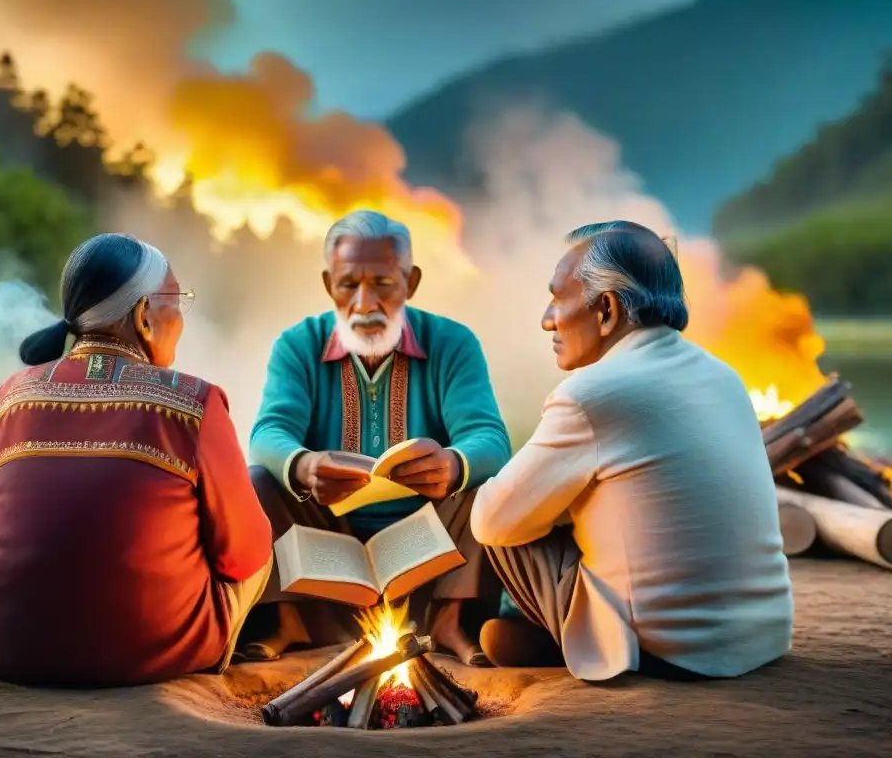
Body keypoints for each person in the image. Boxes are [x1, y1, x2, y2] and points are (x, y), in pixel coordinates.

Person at [0, 233, 273, 687]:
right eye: (175, 302)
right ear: (142, 315)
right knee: (260, 549)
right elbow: (244, 554)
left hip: (1, 645)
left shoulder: (7, 397)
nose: (180, 318)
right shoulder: (195, 402)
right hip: (136, 651)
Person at [471, 220, 794, 681]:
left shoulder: (591, 392)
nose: (547, 318)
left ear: (606, 309)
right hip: (760, 638)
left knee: (492, 508)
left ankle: (538, 631)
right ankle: (523, 628)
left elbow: (491, 521)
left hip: (668, 650)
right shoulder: (724, 376)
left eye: (558, 298)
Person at [244, 210, 511, 666]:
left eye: (383, 284)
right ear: (329, 285)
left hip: (430, 553)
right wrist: (304, 467)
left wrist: (452, 464)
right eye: (349, 285)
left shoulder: (453, 342)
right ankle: (290, 621)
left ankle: (451, 621)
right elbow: (270, 432)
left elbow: (489, 438)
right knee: (260, 480)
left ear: (412, 281)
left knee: (485, 482)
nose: (365, 303)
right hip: (327, 553)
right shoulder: (297, 345)